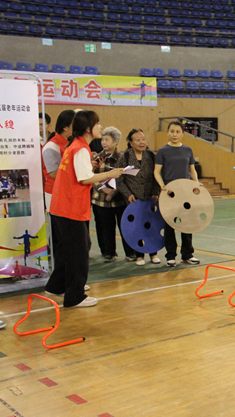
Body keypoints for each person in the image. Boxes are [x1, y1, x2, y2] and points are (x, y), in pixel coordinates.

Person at [45, 111, 124, 308]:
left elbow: (80, 173)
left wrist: (91, 166)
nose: (100, 127)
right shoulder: (80, 148)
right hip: (70, 207)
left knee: (72, 249)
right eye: (97, 123)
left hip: (63, 206)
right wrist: (111, 173)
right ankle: (75, 296)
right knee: (78, 254)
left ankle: (56, 286)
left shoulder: (75, 146)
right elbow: (84, 179)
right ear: (88, 128)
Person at [154, 121, 200, 266]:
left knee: (187, 223)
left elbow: (192, 170)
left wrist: (196, 183)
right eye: (172, 131)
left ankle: (187, 254)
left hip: (186, 192)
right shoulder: (162, 151)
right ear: (168, 133)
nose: (174, 134)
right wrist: (162, 186)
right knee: (170, 225)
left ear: (182, 134)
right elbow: (156, 171)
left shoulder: (188, 150)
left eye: (178, 132)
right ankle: (170, 256)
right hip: (170, 194)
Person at [116, 129, 162, 266]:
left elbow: (157, 176)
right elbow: (119, 180)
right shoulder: (124, 157)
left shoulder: (151, 155)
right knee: (137, 228)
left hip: (150, 199)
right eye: (137, 140)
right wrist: (128, 194)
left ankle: (153, 254)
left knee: (151, 226)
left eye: (143, 139)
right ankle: (139, 255)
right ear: (131, 143)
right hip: (134, 201)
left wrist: (155, 192)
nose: (142, 142)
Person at [91, 126, 128, 262]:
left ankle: (130, 253)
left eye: (107, 140)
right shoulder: (96, 157)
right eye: (102, 140)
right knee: (105, 227)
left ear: (115, 142)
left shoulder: (122, 158)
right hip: (100, 199)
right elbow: (90, 176)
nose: (103, 143)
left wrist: (113, 192)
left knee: (124, 227)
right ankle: (108, 253)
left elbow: (124, 177)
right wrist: (104, 190)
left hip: (119, 199)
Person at [42, 110, 75, 208]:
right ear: (65, 127)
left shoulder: (70, 143)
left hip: (69, 190)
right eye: (75, 125)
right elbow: (53, 173)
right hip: (55, 192)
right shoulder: (51, 146)